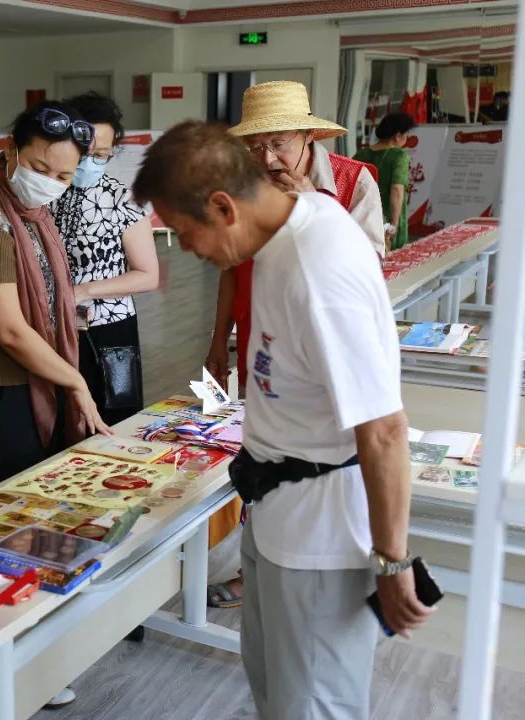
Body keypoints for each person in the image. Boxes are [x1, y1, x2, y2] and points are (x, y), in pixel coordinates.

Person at [133, 120, 432, 719]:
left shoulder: (319, 271)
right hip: (275, 517)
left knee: (314, 705)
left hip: (322, 542)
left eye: (186, 233)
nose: (186, 251)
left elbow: (384, 430)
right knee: (277, 694)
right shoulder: (281, 229)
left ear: (224, 207)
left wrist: (393, 559)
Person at [203, 81, 385, 608]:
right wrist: (218, 344)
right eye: (254, 146)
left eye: (278, 143)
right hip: (260, 340)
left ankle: (327, 563)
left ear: (308, 136)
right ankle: (254, 561)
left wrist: (314, 204)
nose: (266, 158)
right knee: (260, 447)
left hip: (326, 348)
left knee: (324, 453)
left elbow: (369, 268)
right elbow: (232, 269)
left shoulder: (353, 182)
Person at [0, 100, 112, 502]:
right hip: (0, 393)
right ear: (11, 148)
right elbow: (9, 330)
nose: (49, 183)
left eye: (63, 176)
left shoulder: (33, 213)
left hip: (37, 377)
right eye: (40, 169)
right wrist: (74, 380)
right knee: (4, 508)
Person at [53, 92, 158, 426]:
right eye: (85, 152)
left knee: (115, 419)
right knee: (61, 420)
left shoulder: (122, 200)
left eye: (101, 155)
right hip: (50, 327)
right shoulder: (43, 193)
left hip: (110, 329)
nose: (90, 163)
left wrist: (84, 291)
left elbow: (147, 275)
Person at [354, 112, 417, 252]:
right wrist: (394, 225)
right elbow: (397, 190)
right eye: (406, 134)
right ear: (398, 135)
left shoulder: (360, 155)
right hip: (387, 221)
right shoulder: (398, 156)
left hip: (364, 220)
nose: (407, 138)